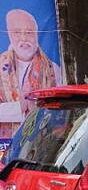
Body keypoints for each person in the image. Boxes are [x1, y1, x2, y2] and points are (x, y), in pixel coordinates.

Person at [0, 9, 61, 138]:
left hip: (40, 143)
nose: (24, 38)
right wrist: (17, 108)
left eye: (29, 32)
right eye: (17, 32)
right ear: (9, 35)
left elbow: (59, 109)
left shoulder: (52, 69)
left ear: (37, 34)